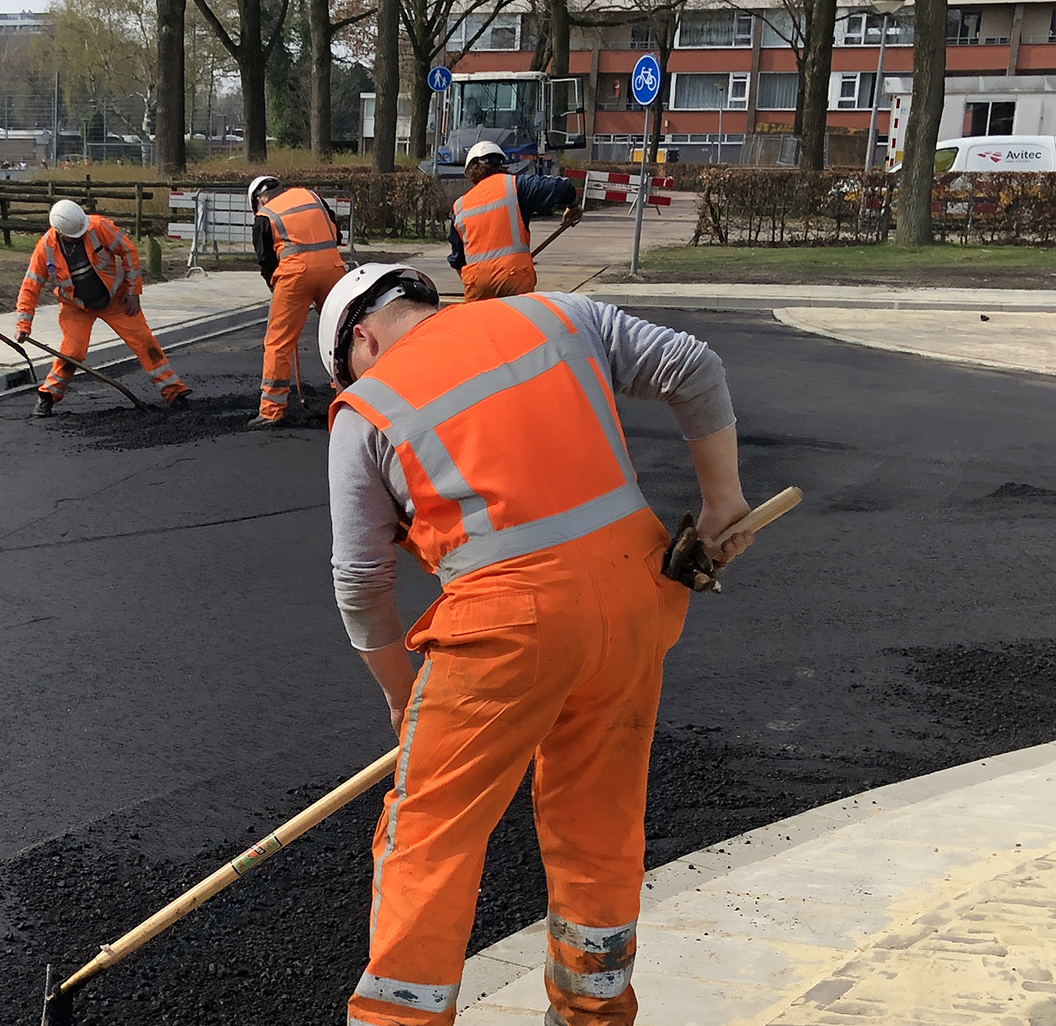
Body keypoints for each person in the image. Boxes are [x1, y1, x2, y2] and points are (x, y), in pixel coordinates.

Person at [317, 264, 757, 1026]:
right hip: (636, 601)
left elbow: (360, 583)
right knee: (598, 819)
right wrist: (724, 501)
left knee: (430, 836)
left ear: (361, 338)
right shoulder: (556, 315)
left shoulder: (366, 410)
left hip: (507, 628)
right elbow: (695, 367)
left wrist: (400, 696)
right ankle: (593, 1013)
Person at [15, 198, 192, 416]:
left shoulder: (98, 226)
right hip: (76, 307)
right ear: (59, 232)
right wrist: (24, 324)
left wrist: (133, 291)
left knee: (145, 343)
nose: (80, 235)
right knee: (72, 353)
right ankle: (48, 395)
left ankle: (174, 392)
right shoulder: (45, 249)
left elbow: (128, 251)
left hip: (116, 300)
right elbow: (30, 286)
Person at [246, 175, 346, 429]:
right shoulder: (312, 198)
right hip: (333, 269)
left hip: (295, 276)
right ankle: (346, 396)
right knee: (341, 334)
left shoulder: (265, 215)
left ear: (259, 199)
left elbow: (266, 261)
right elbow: (336, 234)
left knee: (278, 341)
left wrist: (275, 286)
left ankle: (271, 410)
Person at [447, 140, 582, 301]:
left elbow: (457, 260)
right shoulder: (517, 186)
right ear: (501, 164)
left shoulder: (460, 206)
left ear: (470, 172)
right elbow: (564, 187)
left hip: (478, 283)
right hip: (514, 277)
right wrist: (573, 206)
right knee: (517, 323)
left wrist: (480, 278)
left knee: (481, 326)